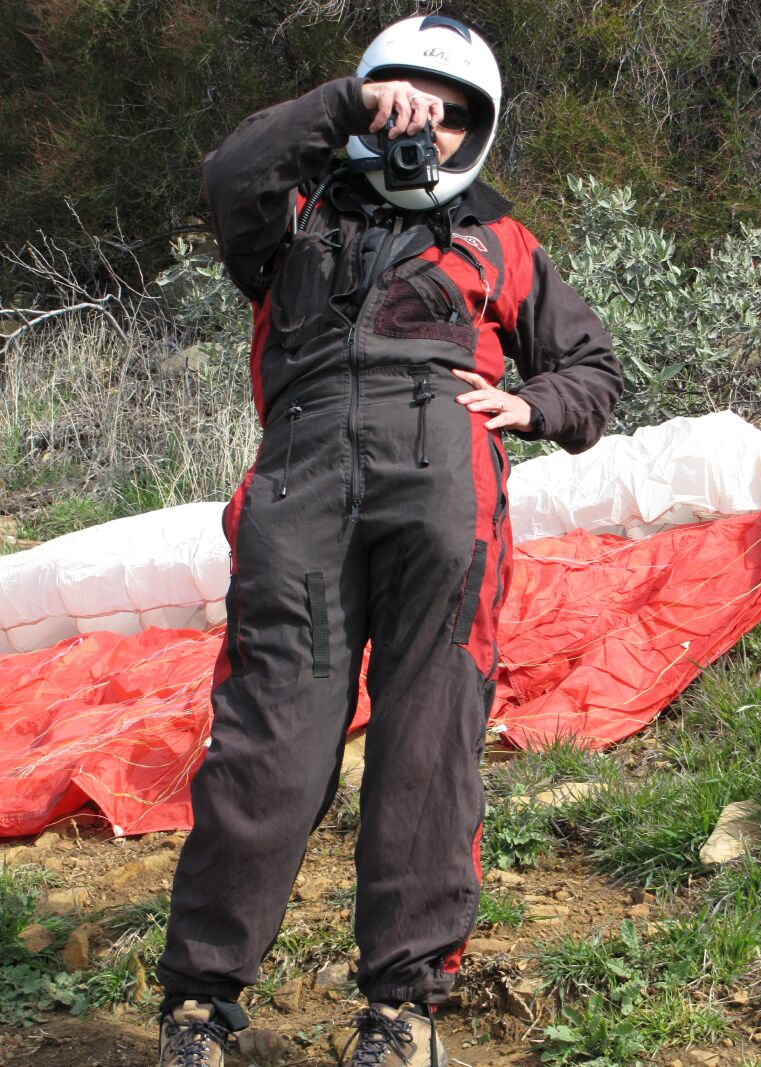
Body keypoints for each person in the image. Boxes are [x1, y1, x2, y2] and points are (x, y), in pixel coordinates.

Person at [154, 14, 623, 1067]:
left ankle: (402, 1009)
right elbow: (228, 171)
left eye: (452, 115)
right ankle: (198, 1003)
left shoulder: (501, 237)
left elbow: (593, 371)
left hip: (445, 496)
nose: (429, 129)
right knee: (268, 740)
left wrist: (531, 405)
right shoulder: (295, 212)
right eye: (410, 103)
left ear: (479, 130)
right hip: (302, 487)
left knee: (428, 745)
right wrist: (345, 108)